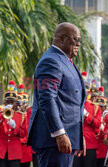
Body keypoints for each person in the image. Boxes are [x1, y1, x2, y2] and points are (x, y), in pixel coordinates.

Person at [27, 22, 86, 167]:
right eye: (75, 40)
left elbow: (69, 102)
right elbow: (47, 99)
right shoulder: (51, 61)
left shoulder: (66, 61)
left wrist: (78, 135)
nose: (78, 44)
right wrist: (59, 133)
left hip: (67, 137)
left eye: (80, 40)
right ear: (61, 39)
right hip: (54, 140)